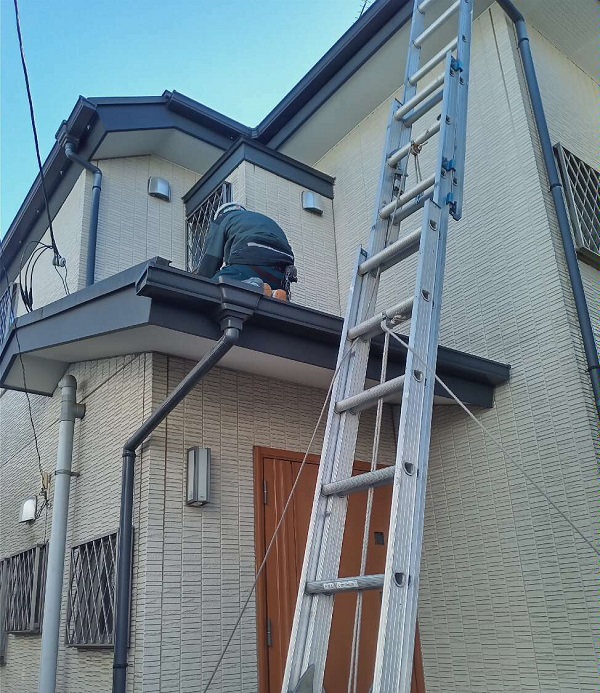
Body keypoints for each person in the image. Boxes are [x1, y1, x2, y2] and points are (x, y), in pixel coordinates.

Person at [196, 203, 296, 298]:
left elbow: (211, 257)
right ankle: (275, 294)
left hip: (253, 260)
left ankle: (252, 286)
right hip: (281, 274)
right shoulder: (258, 219)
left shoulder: (223, 219)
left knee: (213, 286)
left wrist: (200, 283)